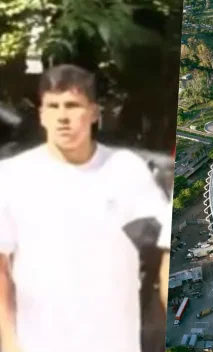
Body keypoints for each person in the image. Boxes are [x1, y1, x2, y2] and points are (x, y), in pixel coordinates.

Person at [0, 64, 171, 352]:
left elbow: (162, 255)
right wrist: (9, 341)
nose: (63, 117)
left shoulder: (127, 171)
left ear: (94, 112)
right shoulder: (12, 176)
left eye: (72, 105)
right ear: (42, 114)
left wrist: (158, 332)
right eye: (53, 106)